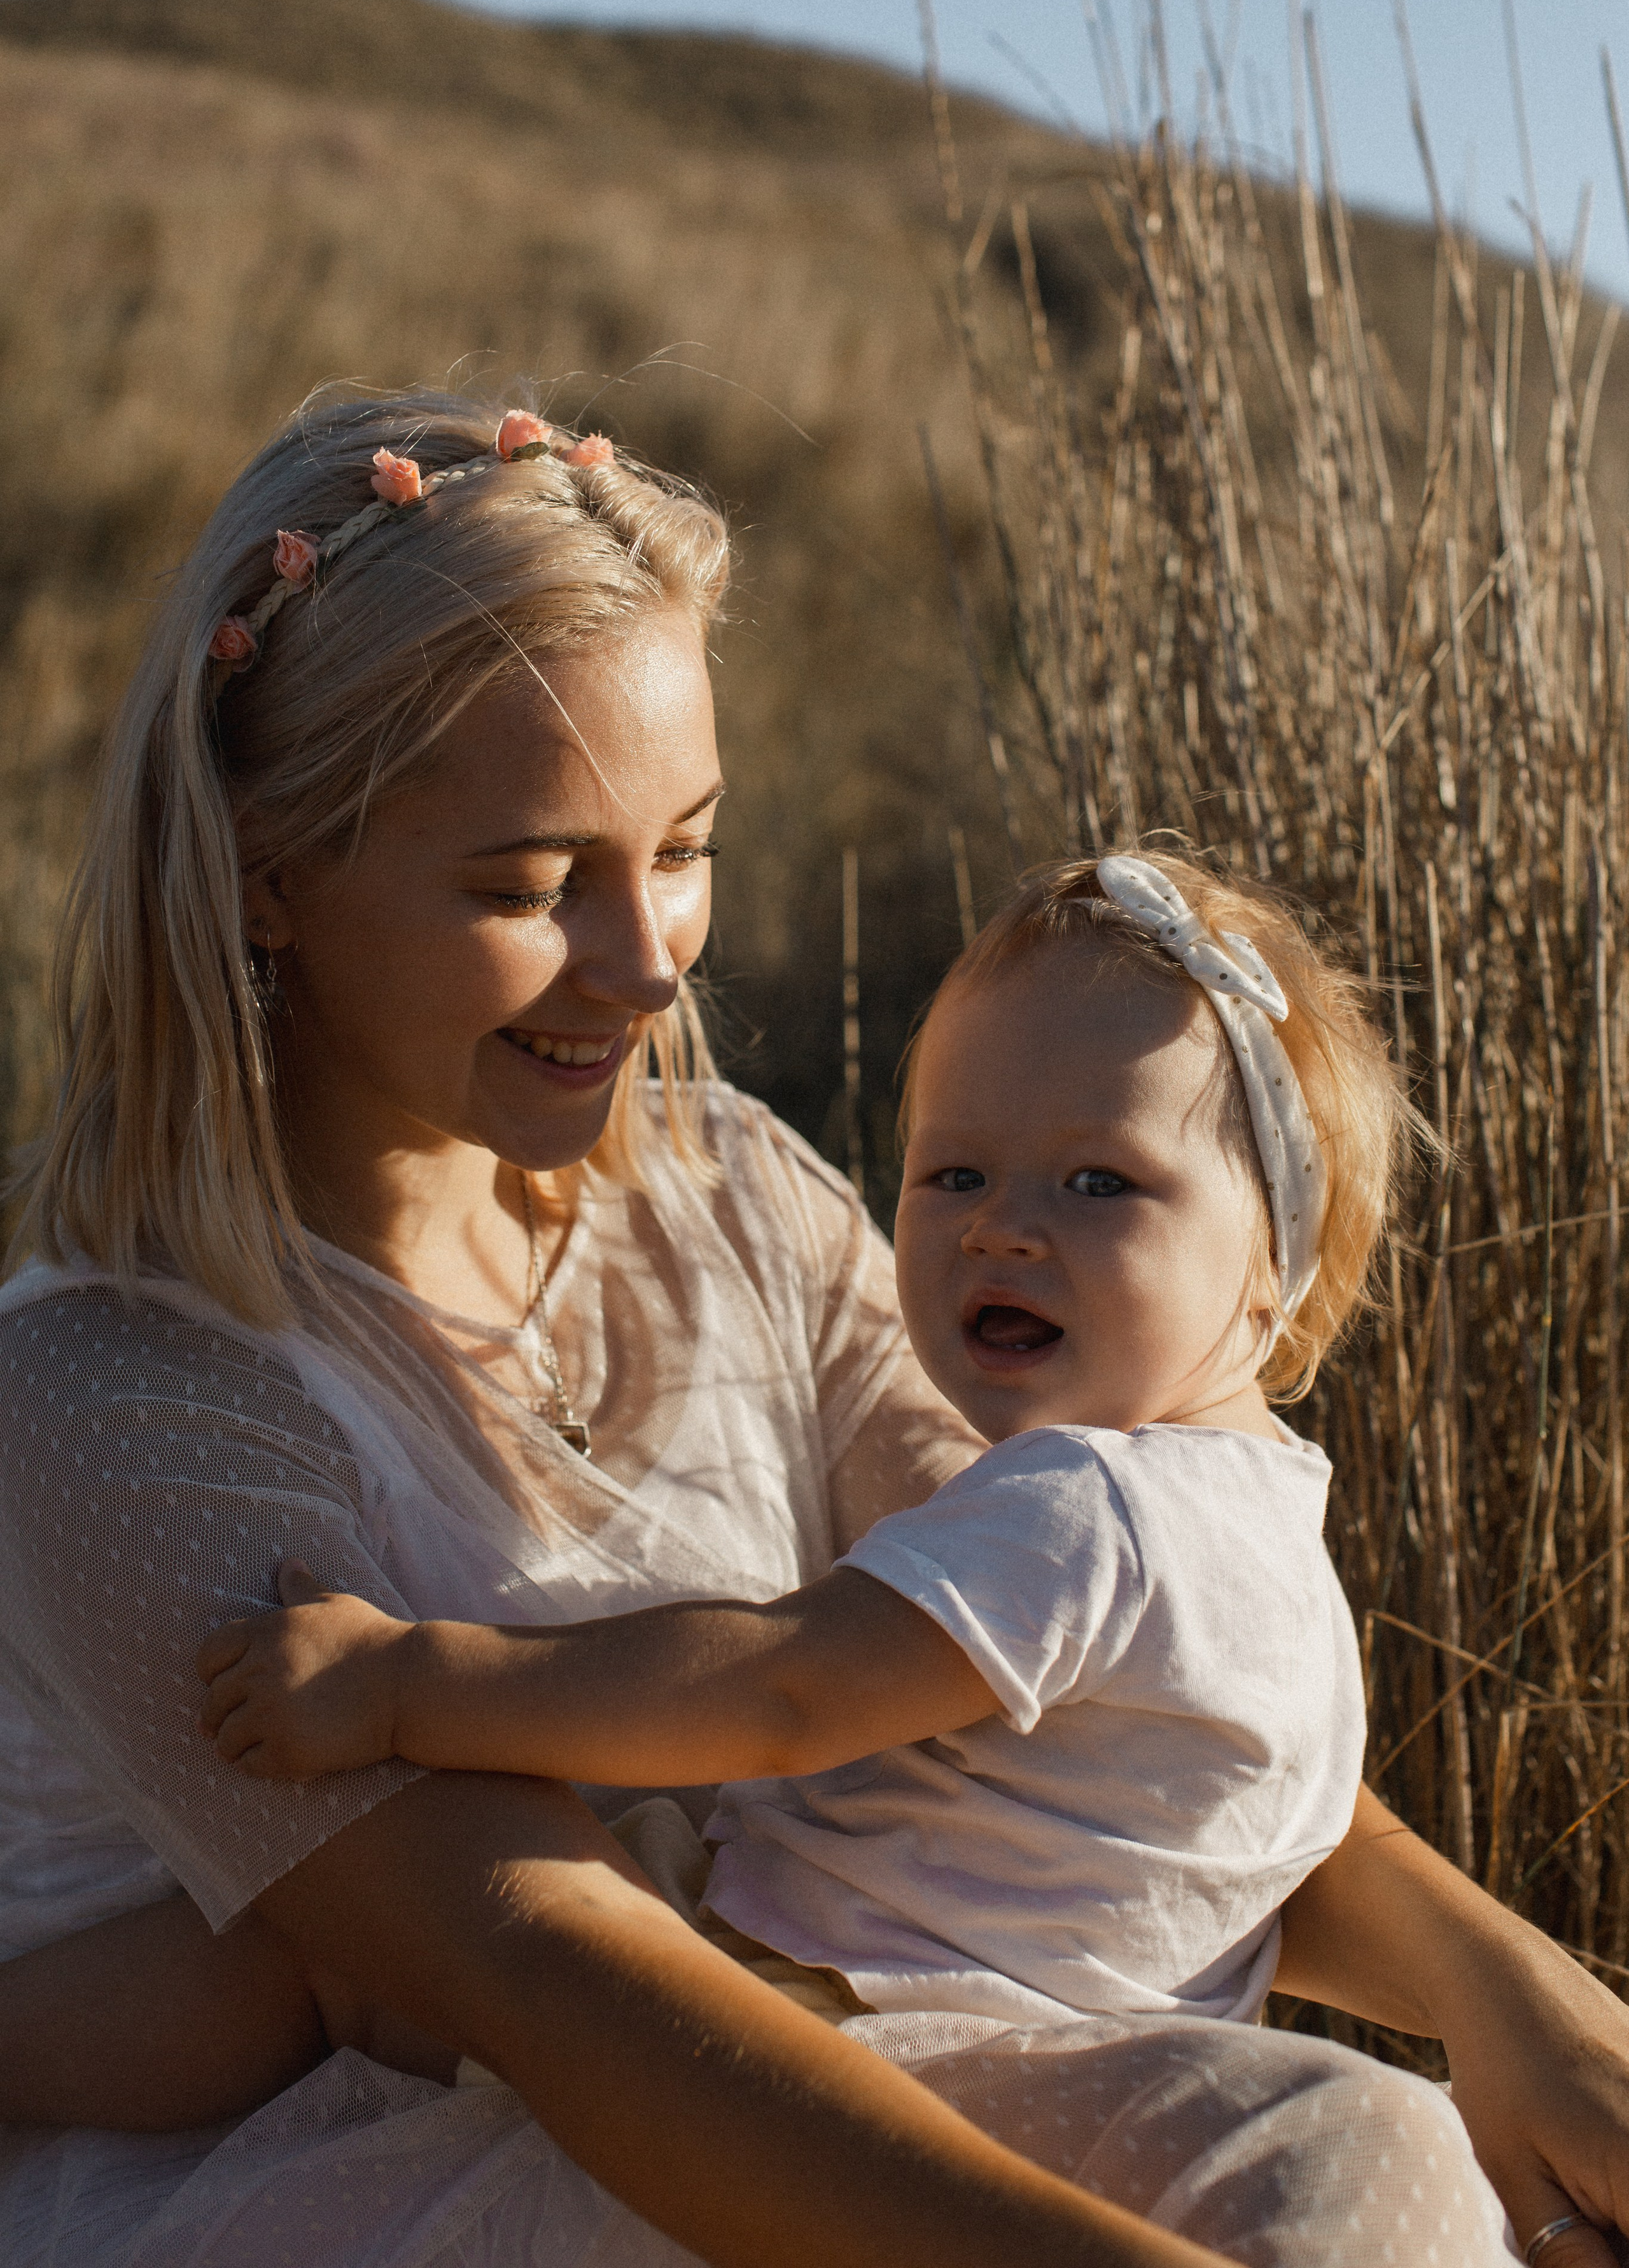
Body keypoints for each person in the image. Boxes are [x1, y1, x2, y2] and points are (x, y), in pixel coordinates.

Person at [0, 389, 1620, 2268]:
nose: (649, 959)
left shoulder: (735, 1197)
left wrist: (1517, 1998)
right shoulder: (111, 1391)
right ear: (269, 869)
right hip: (431, 2173)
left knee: (1385, 2167)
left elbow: (1067, 1674)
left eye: (681, 849)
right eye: (532, 885)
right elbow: (564, 1992)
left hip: (799, 2069)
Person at [198, 849, 1394, 2058]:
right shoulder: (1286, 1554)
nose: (998, 1228)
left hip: (822, 2017)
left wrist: (404, 1684)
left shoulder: (1089, 1509)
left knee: (328, 1966)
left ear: (1274, 1273)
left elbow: (779, 1690)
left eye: (1099, 1182)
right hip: (1059, 2074)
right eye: (954, 1172)